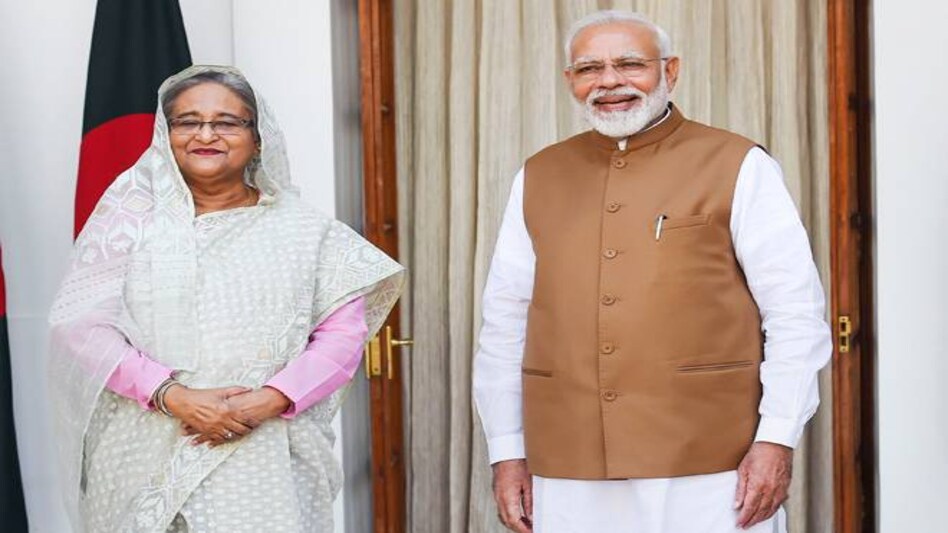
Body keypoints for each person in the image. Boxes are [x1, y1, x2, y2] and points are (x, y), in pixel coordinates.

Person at [473, 11, 832, 533]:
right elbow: (504, 323)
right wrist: (506, 453)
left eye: (630, 64)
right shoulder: (538, 174)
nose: (610, 81)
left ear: (672, 71)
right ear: (570, 81)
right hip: (568, 458)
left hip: (709, 458)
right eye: (589, 68)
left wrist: (775, 439)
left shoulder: (737, 163)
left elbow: (795, 313)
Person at [48, 65, 404, 533]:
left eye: (227, 122)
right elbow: (82, 326)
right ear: (165, 134)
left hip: (265, 449)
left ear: (257, 138)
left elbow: (342, 338)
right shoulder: (128, 222)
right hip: (144, 443)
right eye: (188, 122)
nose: (206, 134)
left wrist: (269, 400)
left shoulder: (305, 230)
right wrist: (171, 395)